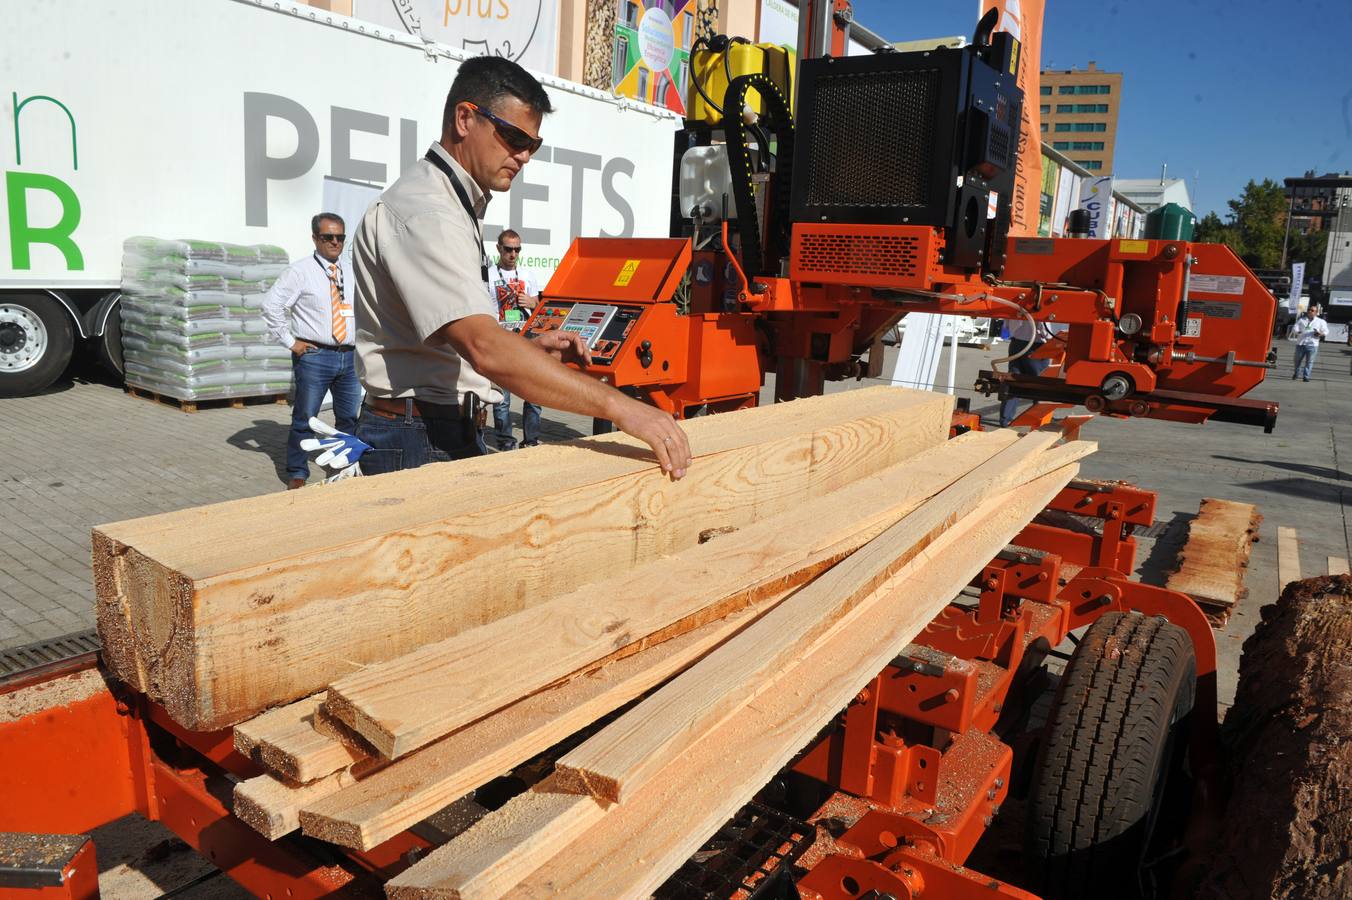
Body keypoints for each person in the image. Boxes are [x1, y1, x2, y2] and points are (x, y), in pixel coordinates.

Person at [351, 56, 690, 478]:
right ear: (464, 118)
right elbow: (485, 348)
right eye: (513, 137)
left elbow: (456, 345)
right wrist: (622, 408)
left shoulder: (452, 205)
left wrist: (529, 351)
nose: (524, 155)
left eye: (533, 144)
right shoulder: (427, 212)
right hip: (417, 436)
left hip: (432, 427)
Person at [262, 213, 361, 489]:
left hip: (350, 355)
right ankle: (297, 472)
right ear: (315, 238)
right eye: (328, 237)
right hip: (315, 356)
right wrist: (290, 342)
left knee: (349, 417)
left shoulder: (350, 270)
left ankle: (345, 466)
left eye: (340, 237)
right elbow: (271, 306)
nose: (335, 242)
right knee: (306, 417)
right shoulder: (300, 272)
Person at [486, 229, 542, 450]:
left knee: (534, 395)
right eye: (508, 249)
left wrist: (531, 302)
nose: (513, 254)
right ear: (499, 248)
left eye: (517, 249)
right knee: (502, 400)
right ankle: (506, 443)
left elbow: (539, 309)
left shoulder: (527, 275)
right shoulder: (489, 275)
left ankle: (531, 441)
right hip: (500, 341)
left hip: (525, 340)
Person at [999, 317, 1052, 427]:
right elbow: (1044, 327)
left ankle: (1005, 419)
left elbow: (1007, 322)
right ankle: (1039, 419)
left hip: (1016, 343)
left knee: (1013, 380)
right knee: (1040, 383)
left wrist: (1008, 331)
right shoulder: (1040, 301)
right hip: (1036, 344)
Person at [1288, 303, 1327, 382]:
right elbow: (1295, 328)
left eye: (1312, 310)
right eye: (1309, 310)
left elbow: (1326, 331)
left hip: (1312, 345)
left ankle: (1306, 376)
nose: (1310, 311)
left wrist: (1320, 334)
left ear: (1316, 312)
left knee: (1309, 362)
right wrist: (1298, 332)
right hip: (1301, 344)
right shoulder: (1302, 320)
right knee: (1297, 361)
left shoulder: (1321, 321)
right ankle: (1296, 373)